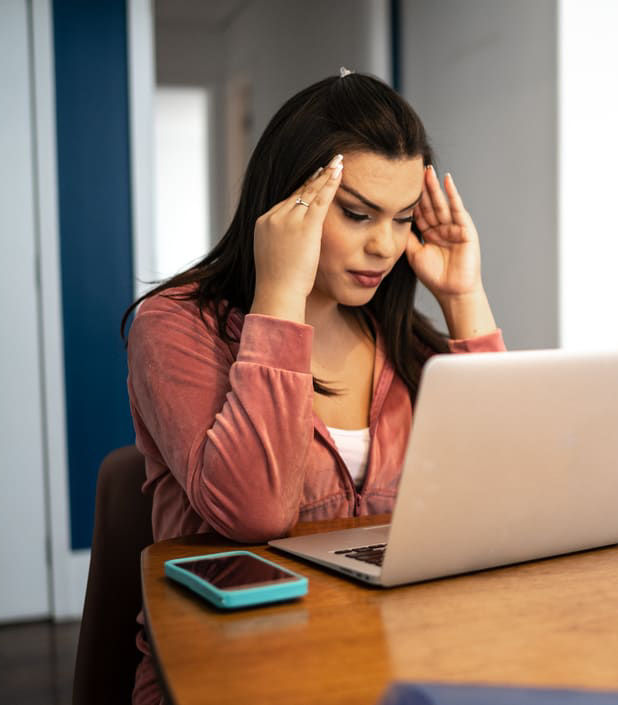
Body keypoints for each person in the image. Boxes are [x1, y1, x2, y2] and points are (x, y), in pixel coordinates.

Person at [121, 71, 504, 705]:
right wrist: (279, 296)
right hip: (231, 667)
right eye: (356, 215)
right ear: (288, 206)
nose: (383, 246)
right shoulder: (176, 326)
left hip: (388, 654)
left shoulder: (404, 340)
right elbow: (254, 514)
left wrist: (465, 298)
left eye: (403, 219)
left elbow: (502, 493)